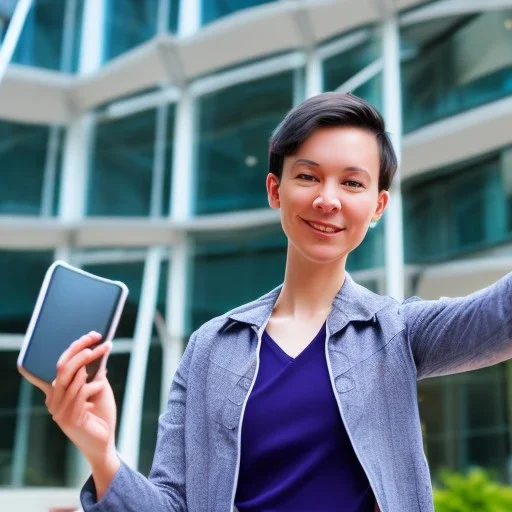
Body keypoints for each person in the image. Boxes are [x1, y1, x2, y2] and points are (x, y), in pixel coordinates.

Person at [19, 93, 512, 512]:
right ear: (276, 189)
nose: (328, 199)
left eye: (353, 182)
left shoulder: (398, 333)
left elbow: (501, 316)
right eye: (308, 176)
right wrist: (100, 451)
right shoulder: (211, 347)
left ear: (378, 205)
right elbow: (173, 503)